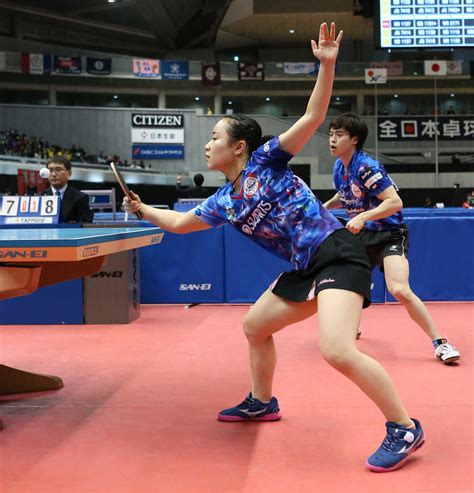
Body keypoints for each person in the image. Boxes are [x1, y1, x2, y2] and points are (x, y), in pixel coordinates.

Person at [123, 23, 424, 473]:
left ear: (240, 147)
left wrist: (327, 66)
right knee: (255, 327)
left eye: (215, 139)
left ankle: (403, 426)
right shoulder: (223, 199)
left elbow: (313, 118)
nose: (207, 146)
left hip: (337, 251)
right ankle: (263, 402)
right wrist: (144, 208)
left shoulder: (267, 158)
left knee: (337, 349)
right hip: (305, 265)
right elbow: (182, 224)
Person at [324, 112, 460, 365]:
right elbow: (344, 194)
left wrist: (364, 216)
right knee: (348, 284)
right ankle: (352, 328)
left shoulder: (367, 166)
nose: (332, 139)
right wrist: (326, 205)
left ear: (354, 139)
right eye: (331, 134)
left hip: (388, 235)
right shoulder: (339, 166)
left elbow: (395, 202)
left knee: (399, 289)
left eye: (339, 135)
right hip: (362, 237)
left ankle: (440, 343)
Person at [43, 155, 94, 223]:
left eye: (58, 169)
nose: (54, 174)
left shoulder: (80, 198)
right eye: (50, 170)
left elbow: (85, 223)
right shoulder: (40, 197)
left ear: (69, 173)